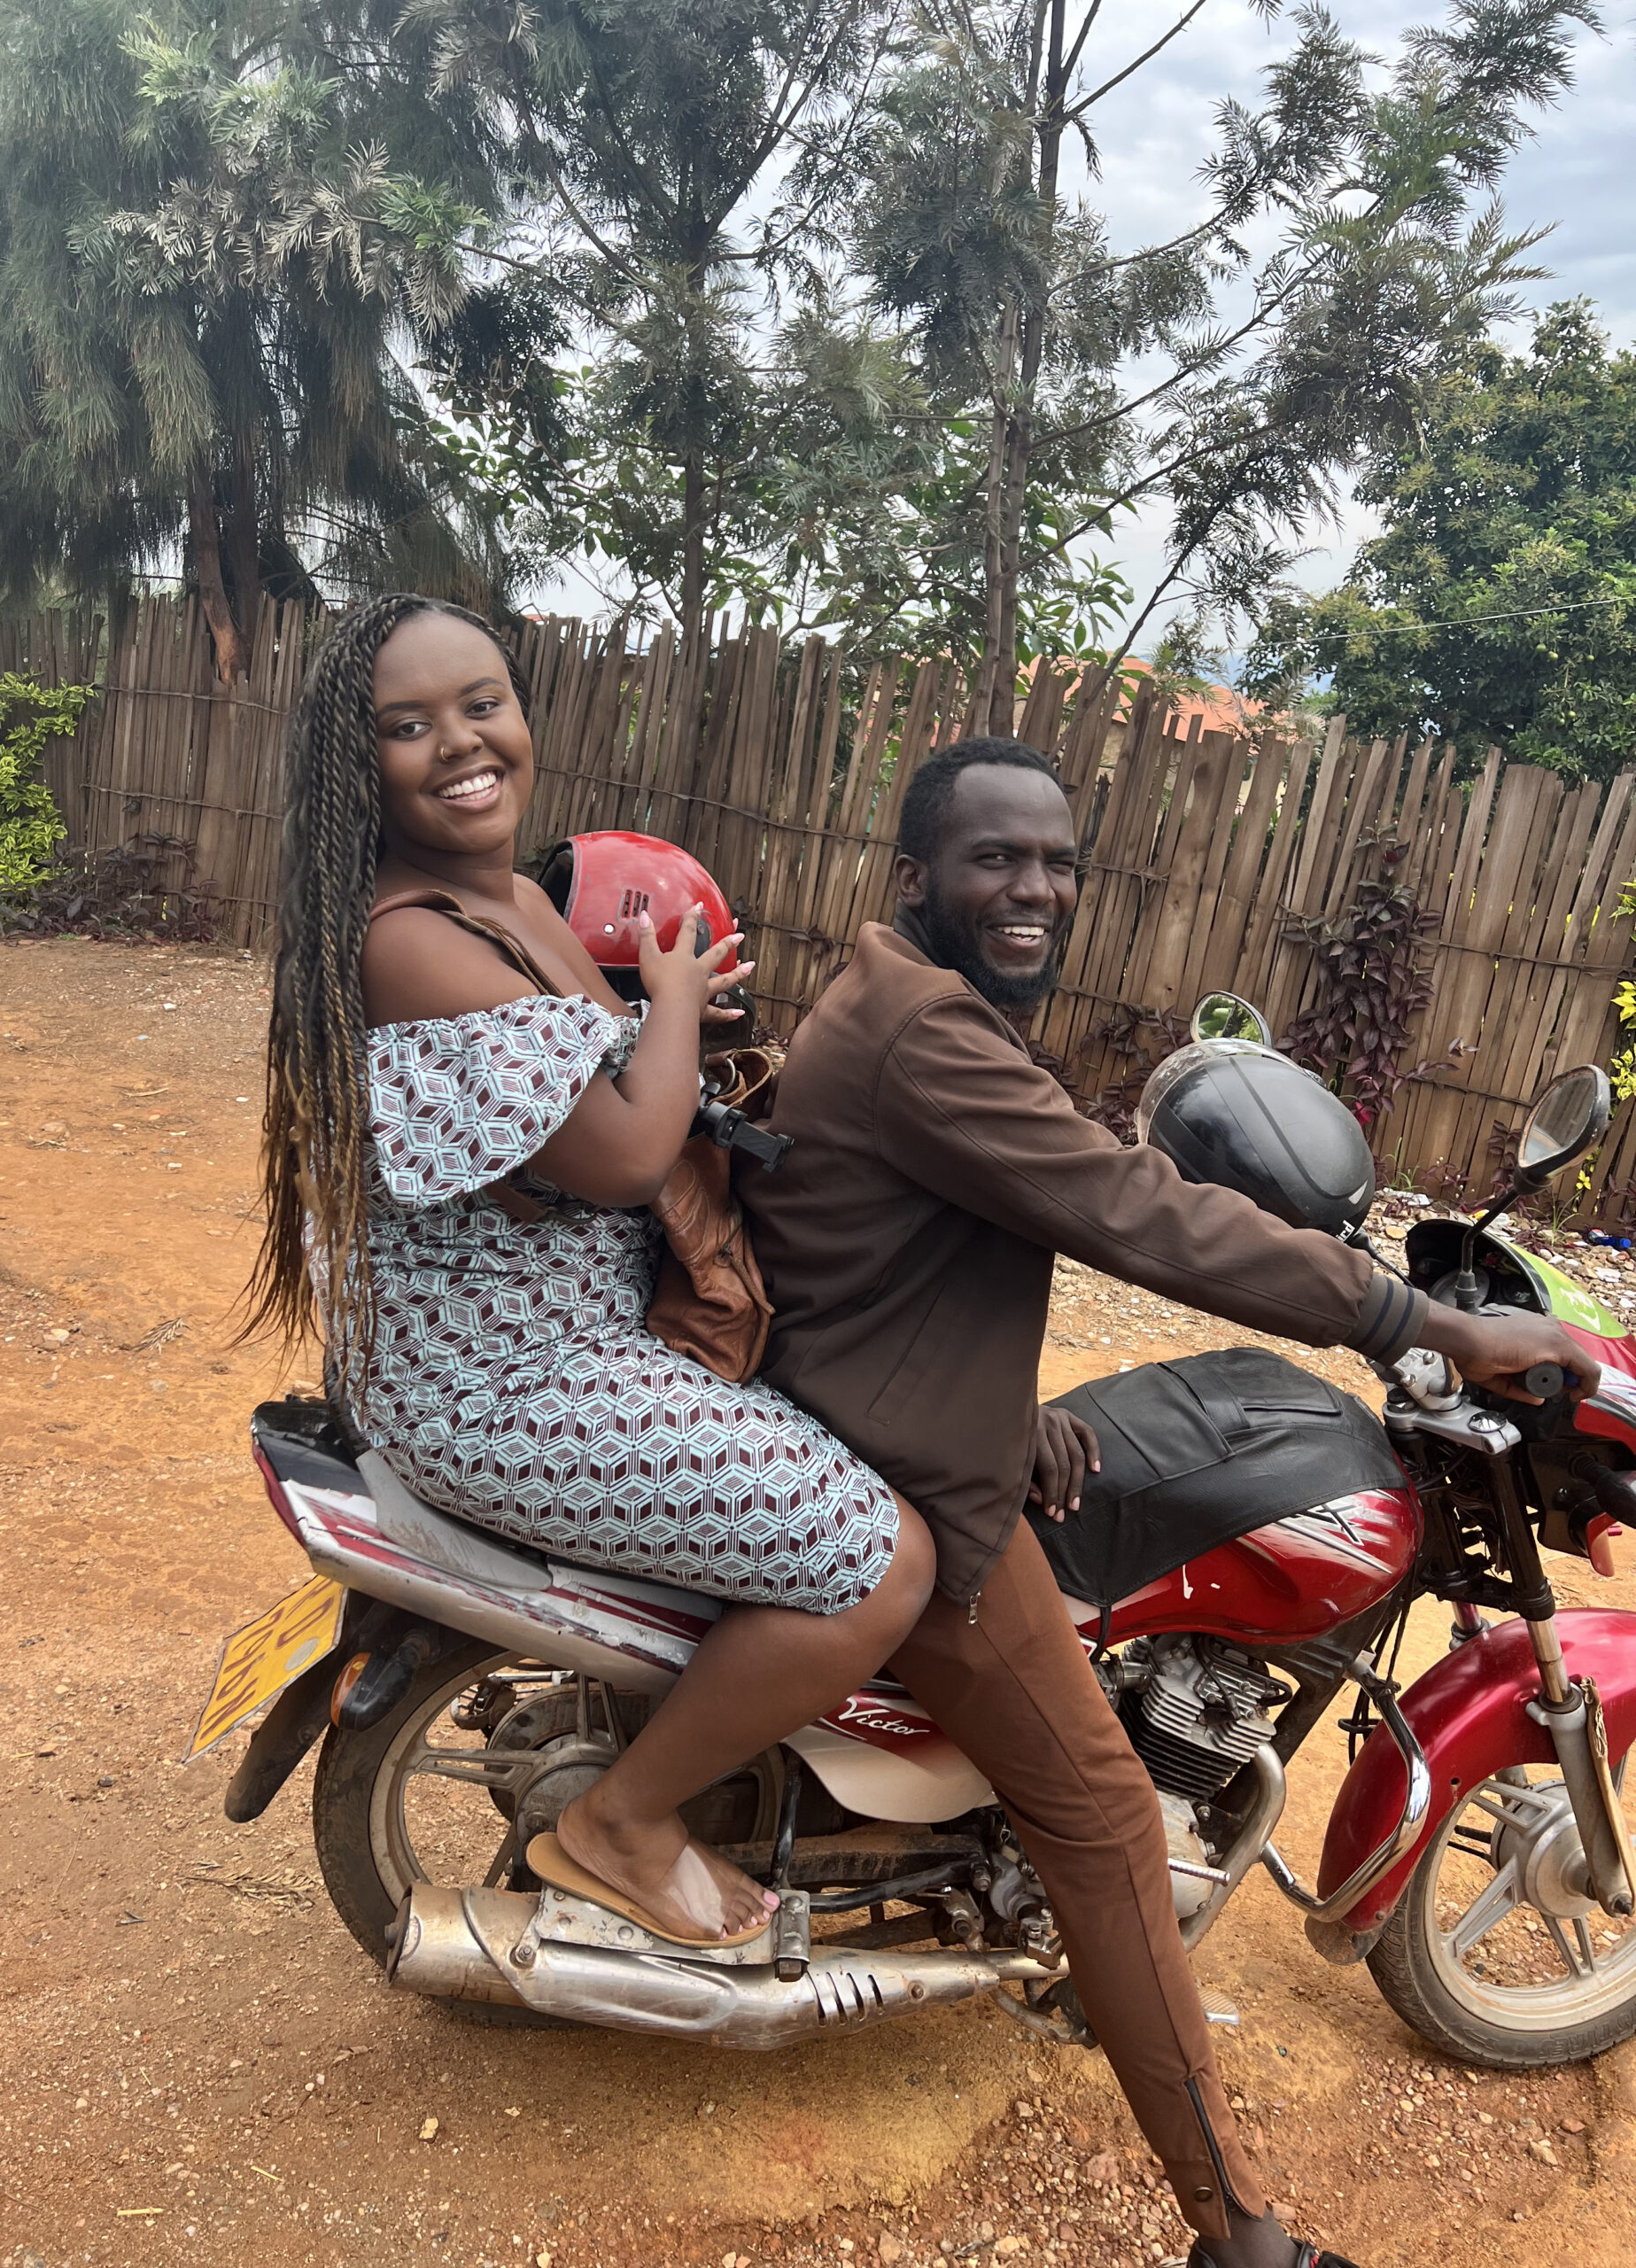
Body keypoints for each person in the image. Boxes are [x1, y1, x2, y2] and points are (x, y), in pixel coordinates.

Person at [738, 735, 1597, 2268]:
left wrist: (1015, 1410)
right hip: (898, 1472)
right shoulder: (933, 1033)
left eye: (1059, 861)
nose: (1037, 887)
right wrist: (1431, 1325)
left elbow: (951, 1237)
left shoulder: (909, 1000)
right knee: (1108, 1816)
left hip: (900, 1405)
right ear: (918, 874)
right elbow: (1134, 1211)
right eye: (998, 857)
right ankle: (1241, 2235)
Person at [244, 592, 934, 1948]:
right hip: (506, 1390)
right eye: (406, 725)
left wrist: (664, 1021)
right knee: (882, 1567)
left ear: (523, 711)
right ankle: (623, 1820)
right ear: (353, 762)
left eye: (482, 703)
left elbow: (596, 1067)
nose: (458, 742)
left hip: (547, 1348)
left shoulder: (497, 898)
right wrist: (674, 1001)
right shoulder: (409, 939)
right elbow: (624, 1153)